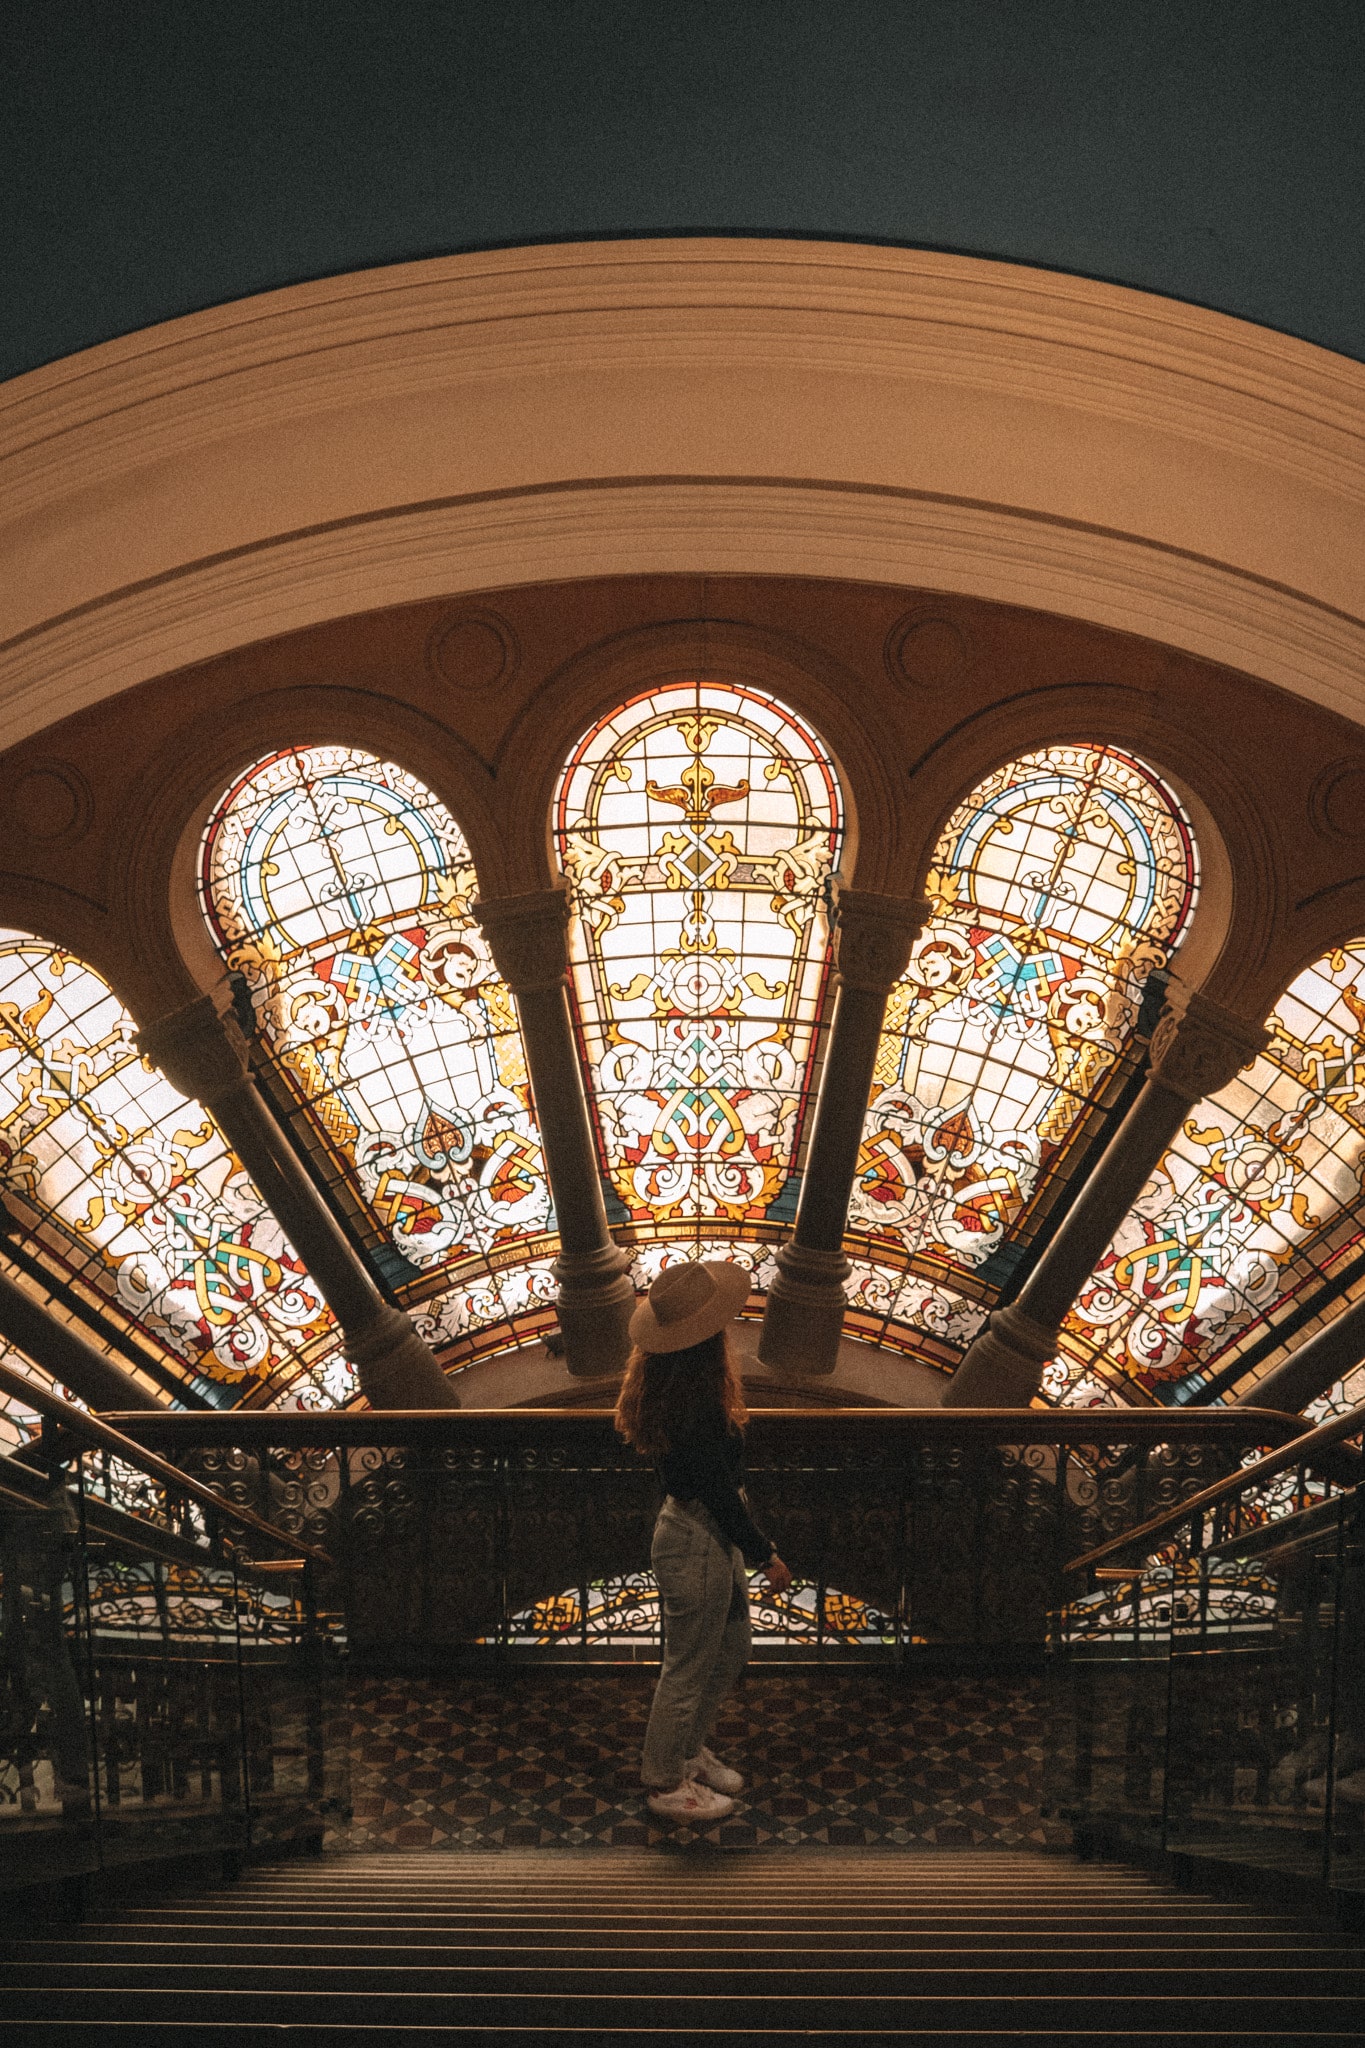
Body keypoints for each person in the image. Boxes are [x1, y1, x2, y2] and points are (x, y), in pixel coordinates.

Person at [615, 1259, 792, 1824]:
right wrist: (766, 1554)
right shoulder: (695, 1405)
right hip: (698, 1537)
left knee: (730, 1648)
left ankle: (688, 1750)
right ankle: (666, 1780)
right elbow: (717, 1491)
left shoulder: (673, 1386)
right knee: (689, 1666)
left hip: (700, 1533)